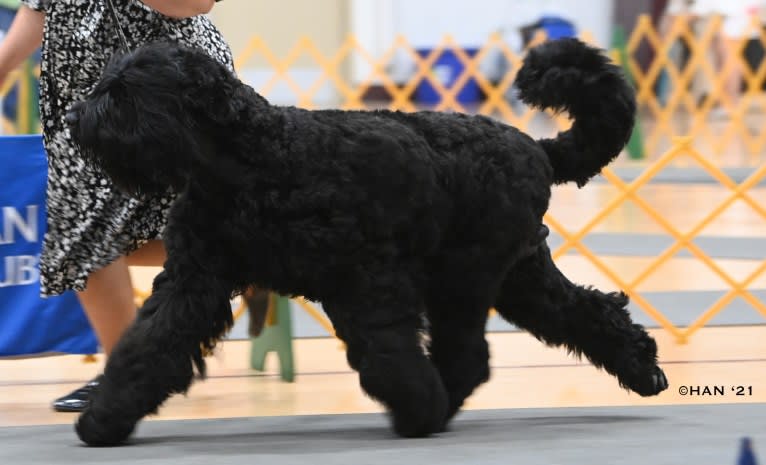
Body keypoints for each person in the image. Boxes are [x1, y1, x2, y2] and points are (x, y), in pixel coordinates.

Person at [0, 0, 248, 412]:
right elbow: (40, 6)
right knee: (84, 239)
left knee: (101, 236)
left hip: (162, 98)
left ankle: (130, 372)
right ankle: (131, 372)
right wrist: (5, 63)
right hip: (83, 108)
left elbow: (197, 4)